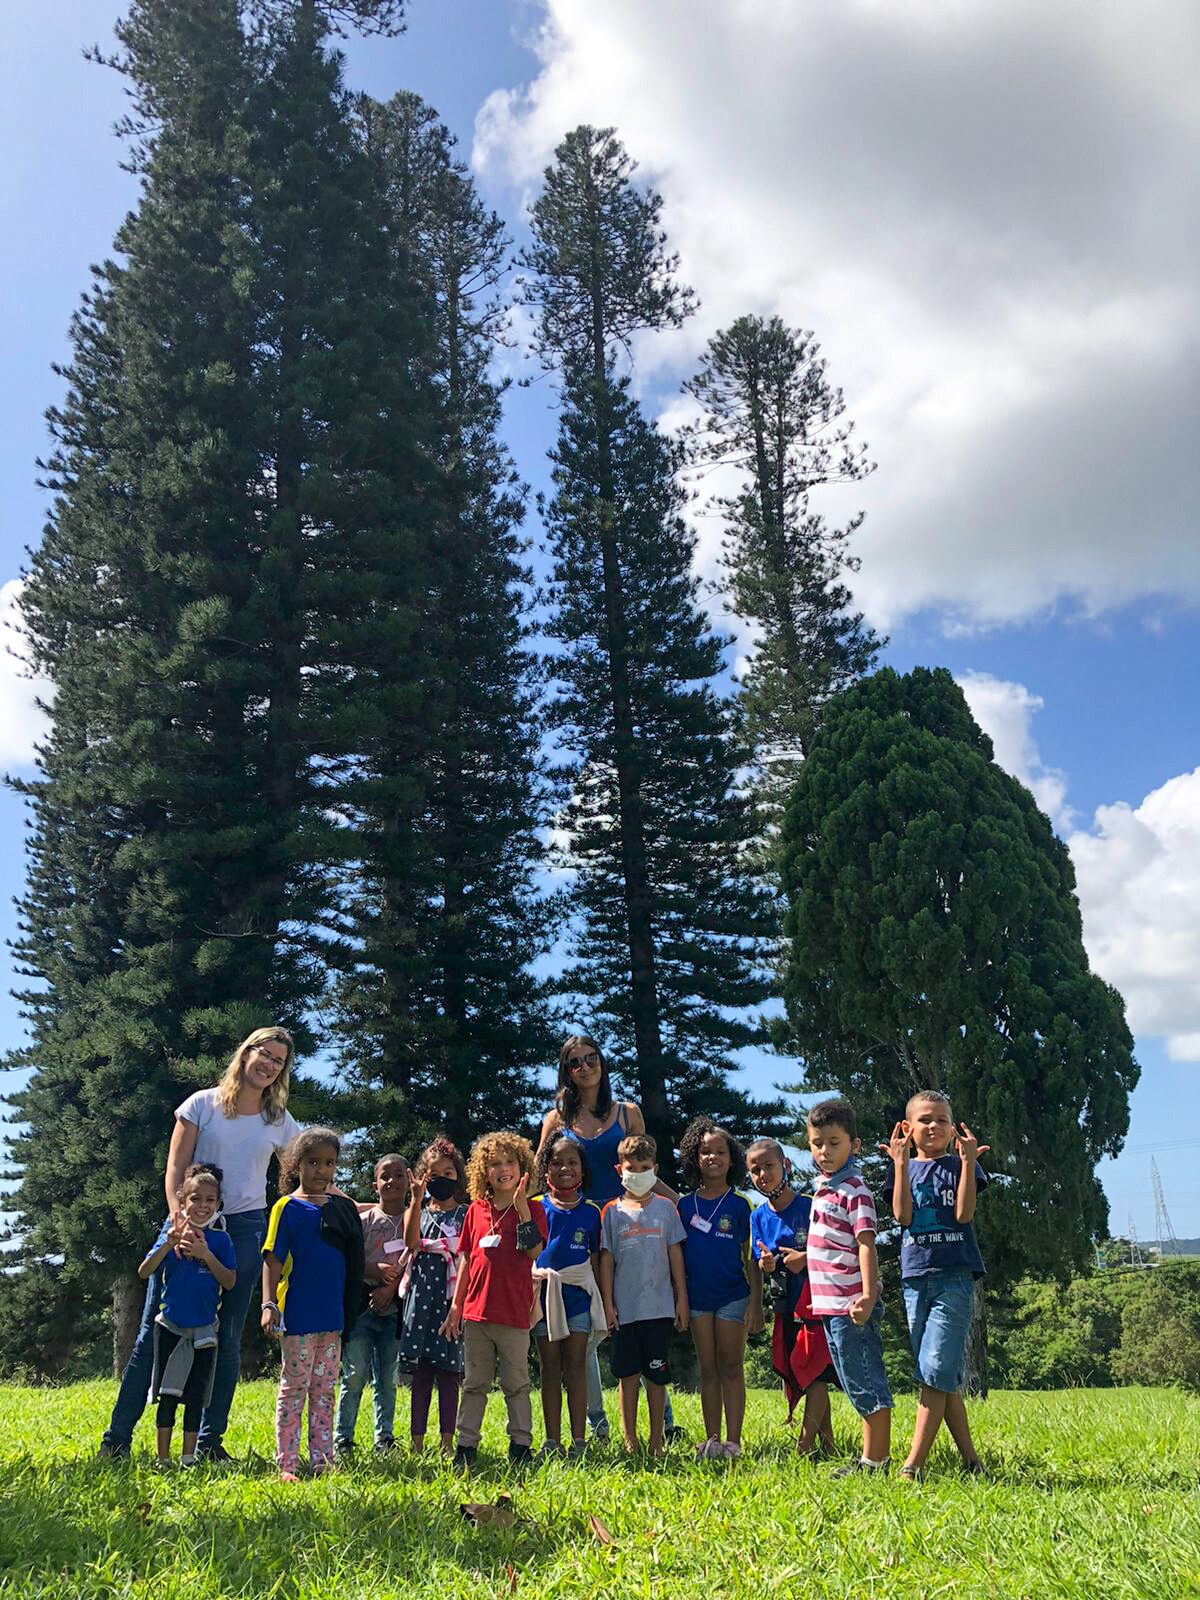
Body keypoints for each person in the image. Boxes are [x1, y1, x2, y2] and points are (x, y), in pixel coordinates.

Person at [99, 1025, 301, 1463]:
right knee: (154, 1330)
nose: (268, 1065)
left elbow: (303, 1175)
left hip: (245, 1230)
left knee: (225, 1337)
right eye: (264, 1054)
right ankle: (116, 1440)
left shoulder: (278, 1120)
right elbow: (175, 1168)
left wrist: (356, 1204)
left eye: (278, 1061)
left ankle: (208, 1444)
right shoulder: (201, 1104)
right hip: (186, 1223)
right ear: (246, 1052)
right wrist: (181, 1219)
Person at [536, 1034, 678, 1441]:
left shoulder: (627, 1113)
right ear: (566, 1072)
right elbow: (537, 1174)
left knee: (641, 1317)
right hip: (577, 1228)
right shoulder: (555, 1121)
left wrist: (681, 1203)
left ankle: (663, 1421)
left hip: (627, 1225)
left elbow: (645, 1171)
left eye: (591, 1059)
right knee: (591, 1328)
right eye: (575, 1063)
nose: (585, 1067)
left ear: (602, 1062)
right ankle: (598, 1422)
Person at [881, 1089, 989, 1479]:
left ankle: (914, 1465)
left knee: (935, 1368)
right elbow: (902, 1216)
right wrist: (899, 1164)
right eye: (925, 1120)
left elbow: (963, 1214)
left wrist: (968, 1162)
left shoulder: (963, 1163)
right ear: (908, 1128)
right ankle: (971, 1462)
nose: (934, 1126)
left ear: (952, 1127)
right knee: (940, 1375)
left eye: (942, 1120)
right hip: (915, 1278)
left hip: (955, 1276)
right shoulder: (904, 1167)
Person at [261, 1128, 365, 1481]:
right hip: (298, 1315)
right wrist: (268, 1303)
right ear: (297, 1164)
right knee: (294, 1388)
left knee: (324, 1391)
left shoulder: (342, 1210)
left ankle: (322, 1459)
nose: (321, 1170)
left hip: (331, 1317)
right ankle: (286, 1462)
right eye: (313, 1162)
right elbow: (272, 1259)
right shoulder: (286, 1208)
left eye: (329, 1163)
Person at [446, 1131, 547, 1470]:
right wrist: (457, 1306)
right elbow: (466, 1259)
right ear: (483, 1171)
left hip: (514, 1313)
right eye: (494, 1164)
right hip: (477, 1313)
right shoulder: (475, 1211)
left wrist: (521, 1209)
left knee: (516, 1383)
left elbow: (534, 1251)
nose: (503, 1170)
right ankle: (466, 1446)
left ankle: (520, 1444)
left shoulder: (533, 1209)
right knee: (474, 1383)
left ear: (523, 1168)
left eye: (510, 1162)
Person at [806, 1098, 893, 1476]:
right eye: (816, 1142)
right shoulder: (822, 1189)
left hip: (851, 1305)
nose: (824, 1151)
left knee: (863, 1379)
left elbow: (865, 1244)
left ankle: (875, 1461)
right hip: (829, 1306)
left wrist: (869, 1295)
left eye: (834, 1142)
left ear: (854, 1145)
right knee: (849, 1378)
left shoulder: (854, 1190)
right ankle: (869, 1456)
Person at [139, 1163, 236, 1468]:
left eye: (209, 1200)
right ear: (182, 1201)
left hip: (205, 1330)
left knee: (196, 1396)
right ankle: (163, 1458)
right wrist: (168, 1244)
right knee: (167, 1395)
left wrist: (206, 1255)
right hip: (171, 1326)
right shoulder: (170, 1234)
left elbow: (230, 1281)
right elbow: (145, 1271)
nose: (202, 1206)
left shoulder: (221, 1241)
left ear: (218, 1205)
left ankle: (188, 1457)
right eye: (195, 1199)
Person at [598, 1133, 688, 1458]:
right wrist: (608, 1305)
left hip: (659, 1308)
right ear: (618, 1169)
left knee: (656, 1376)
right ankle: (630, 1440)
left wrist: (682, 1299)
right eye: (631, 1167)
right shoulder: (611, 1212)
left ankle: (656, 1440)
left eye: (645, 1166)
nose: (637, 1172)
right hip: (624, 1309)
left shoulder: (667, 1209)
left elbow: (676, 1255)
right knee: (627, 1376)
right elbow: (606, 1260)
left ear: (656, 1169)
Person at [677, 1117, 761, 1460]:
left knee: (731, 1367)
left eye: (720, 1152)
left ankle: (734, 1442)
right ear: (695, 1158)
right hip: (698, 1299)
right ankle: (712, 1440)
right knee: (707, 1368)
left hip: (733, 1296)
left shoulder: (741, 1204)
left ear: (732, 1158)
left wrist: (756, 1304)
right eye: (705, 1152)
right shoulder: (684, 1206)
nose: (712, 1157)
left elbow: (753, 1259)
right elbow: (677, 1259)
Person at [746, 1137, 835, 1457]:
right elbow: (759, 1260)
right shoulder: (757, 1216)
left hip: (815, 1303)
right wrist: (766, 1264)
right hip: (783, 1305)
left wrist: (804, 1257)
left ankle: (804, 1447)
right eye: (755, 1170)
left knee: (815, 1373)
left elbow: (832, 1248)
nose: (762, 1175)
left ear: (785, 1166)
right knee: (803, 1371)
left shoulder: (810, 1205)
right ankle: (828, 1443)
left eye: (768, 1166)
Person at [531, 1134, 605, 1460]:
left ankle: (578, 1440)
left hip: (578, 1298)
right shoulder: (535, 1207)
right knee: (549, 1367)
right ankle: (551, 1440)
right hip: (543, 1296)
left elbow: (599, 1258)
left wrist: (606, 1300)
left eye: (572, 1162)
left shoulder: (592, 1212)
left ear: (582, 1169)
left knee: (576, 1365)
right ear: (546, 1168)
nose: (565, 1168)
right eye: (557, 1162)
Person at [333, 1153, 409, 1458]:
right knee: (354, 1375)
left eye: (399, 1175)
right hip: (362, 1309)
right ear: (375, 1184)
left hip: (396, 1310)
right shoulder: (362, 1222)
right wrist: (373, 1270)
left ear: (409, 1180)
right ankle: (343, 1440)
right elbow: (348, 1262)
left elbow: (416, 1257)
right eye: (385, 1176)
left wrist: (390, 1287)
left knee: (388, 1379)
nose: (392, 1181)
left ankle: (385, 1439)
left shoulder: (416, 1220)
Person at [396, 1135, 469, 1455]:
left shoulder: (466, 1214)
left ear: (459, 1177)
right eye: (434, 1175)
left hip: (451, 1300)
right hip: (420, 1299)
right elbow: (410, 1242)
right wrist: (414, 1200)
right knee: (422, 1372)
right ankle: (416, 1441)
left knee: (449, 1373)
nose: (442, 1180)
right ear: (424, 1177)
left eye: (448, 1174)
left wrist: (459, 1304)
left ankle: (447, 1441)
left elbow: (468, 1256)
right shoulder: (419, 1211)